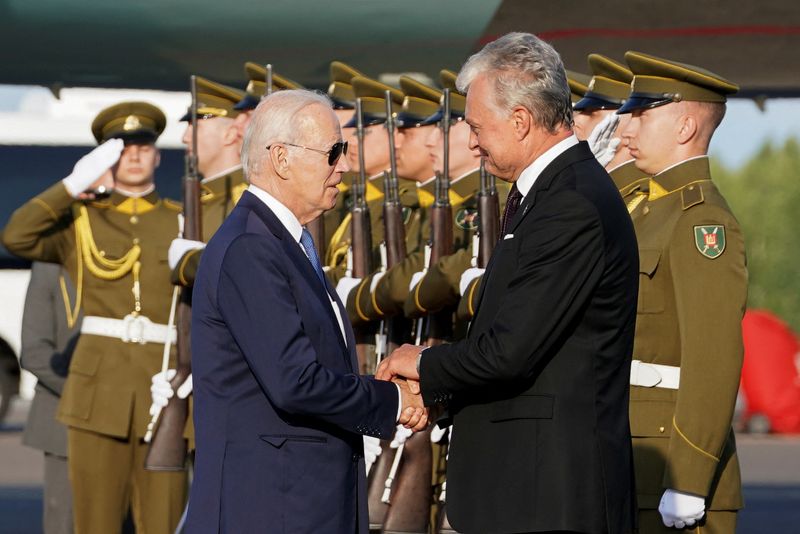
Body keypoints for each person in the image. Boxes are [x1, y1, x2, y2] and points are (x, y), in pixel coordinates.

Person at [376, 32, 638, 533]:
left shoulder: (570, 204)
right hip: (526, 490)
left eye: (477, 126)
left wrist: (424, 363)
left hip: (549, 497)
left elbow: (510, 351)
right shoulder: (551, 194)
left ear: (520, 121)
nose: (471, 141)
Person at [185, 89, 427, 534]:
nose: (344, 166)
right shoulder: (252, 249)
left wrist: (372, 387)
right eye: (333, 152)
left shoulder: (281, 243)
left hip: (297, 499)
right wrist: (392, 401)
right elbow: (294, 382)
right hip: (271, 506)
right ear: (281, 158)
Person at [2, 102, 187, 534]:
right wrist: (71, 186)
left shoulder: (181, 220)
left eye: (144, 145)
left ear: (158, 155)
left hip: (164, 391)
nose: (136, 155)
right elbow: (16, 236)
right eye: (122, 148)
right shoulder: (81, 219)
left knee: (164, 521)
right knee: (95, 523)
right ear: (107, 157)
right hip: (96, 394)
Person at [617, 50, 745, 534]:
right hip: (630, 451)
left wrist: (689, 477)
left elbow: (713, 356)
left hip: (669, 466)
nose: (626, 129)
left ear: (684, 127)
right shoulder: (644, 209)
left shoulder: (701, 221)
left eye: (642, 114)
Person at [20, 262, 81, 534]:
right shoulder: (51, 267)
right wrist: (92, 399)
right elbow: (34, 353)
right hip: (65, 429)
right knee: (65, 525)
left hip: (133, 424)